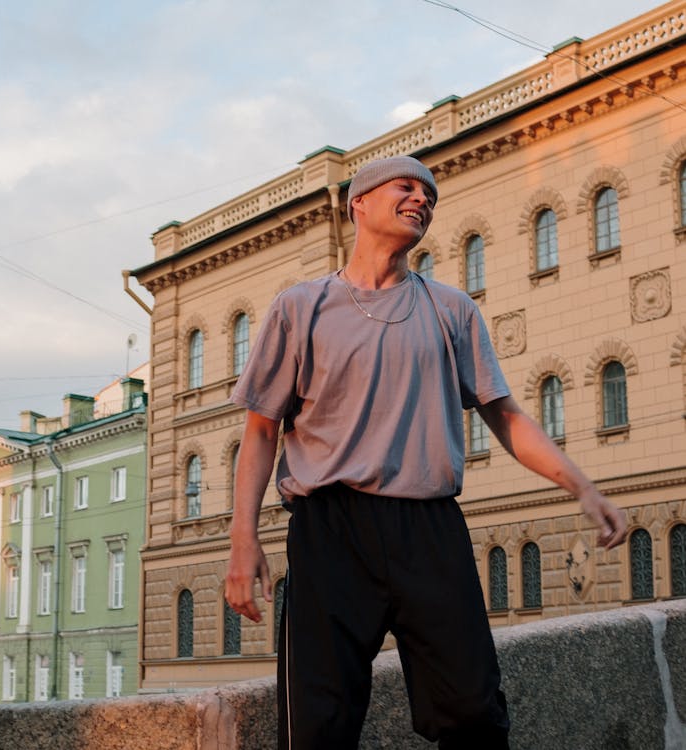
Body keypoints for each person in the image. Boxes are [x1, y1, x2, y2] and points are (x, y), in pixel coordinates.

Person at [223, 155, 627, 749]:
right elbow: (260, 432)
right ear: (358, 203)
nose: (421, 201)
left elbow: (507, 416)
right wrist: (243, 540)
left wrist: (583, 488)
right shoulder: (301, 307)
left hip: (430, 528)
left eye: (430, 196)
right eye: (406, 188)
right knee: (318, 722)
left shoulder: (451, 310)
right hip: (331, 530)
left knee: (473, 711)